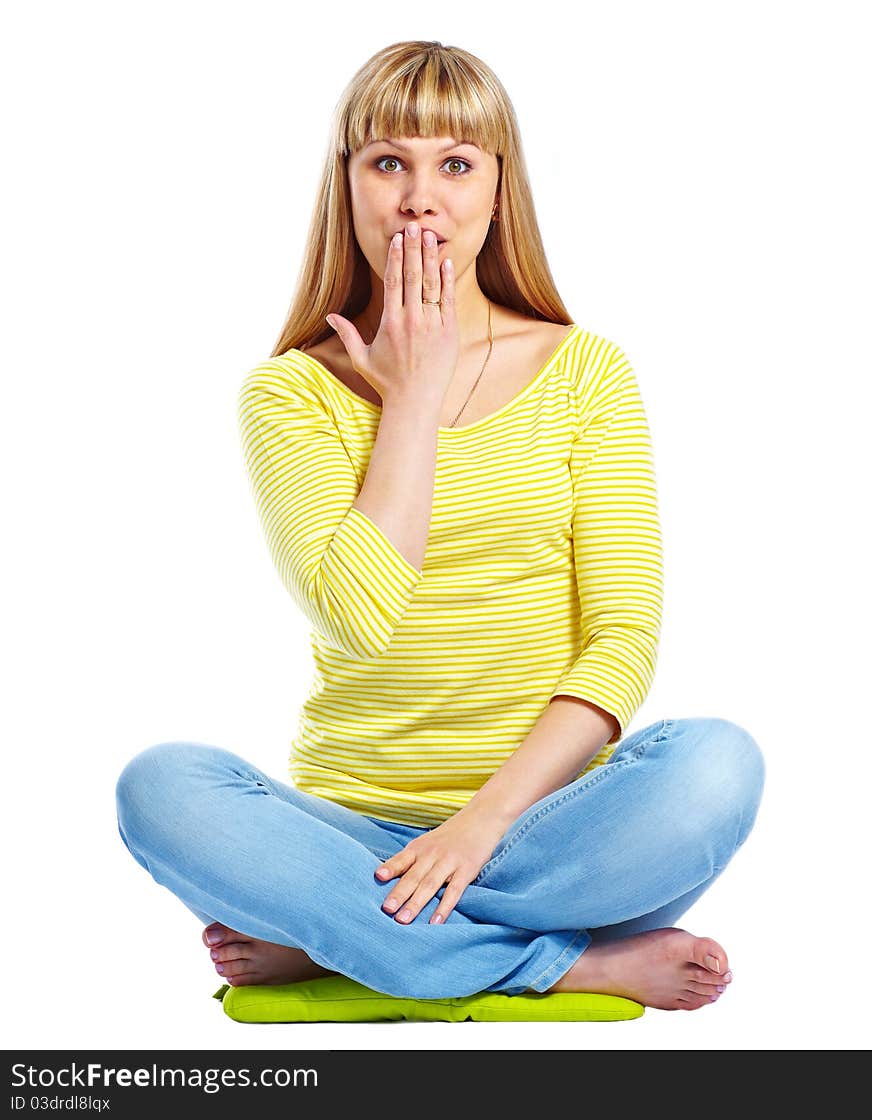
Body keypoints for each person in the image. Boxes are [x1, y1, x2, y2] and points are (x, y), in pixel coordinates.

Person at [115, 39, 765, 1012]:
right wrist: (411, 397)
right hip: (345, 838)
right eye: (389, 163)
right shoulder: (289, 392)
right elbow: (361, 618)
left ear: (498, 192)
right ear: (349, 189)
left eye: (455, 164)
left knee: (716, 764)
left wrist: (476, 828)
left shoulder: (587, 371)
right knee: (159, 787)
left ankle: (345, 937)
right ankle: (561, 960)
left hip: (548, 830)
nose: (421, 197)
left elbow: (623, 640)